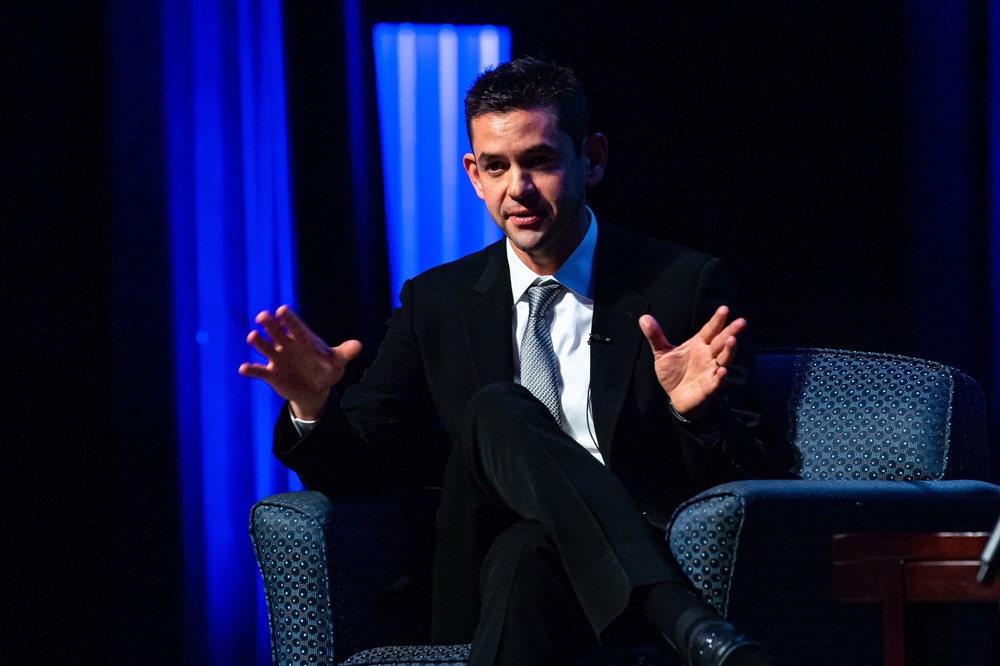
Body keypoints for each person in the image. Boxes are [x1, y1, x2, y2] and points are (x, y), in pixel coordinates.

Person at [240, 57, 795, 666]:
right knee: (496, 409)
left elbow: (757, 471)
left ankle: (669, 611)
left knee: (528, 551)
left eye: (541, 162)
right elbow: (360, 468)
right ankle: (687, 624)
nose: (518, 190)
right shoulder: (436, 302)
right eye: (497, 167)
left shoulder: (680, 285)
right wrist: (312, 406)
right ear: (473, 175)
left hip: (598, 574)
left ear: (594, 158)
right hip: (472, 574)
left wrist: (697, 416)